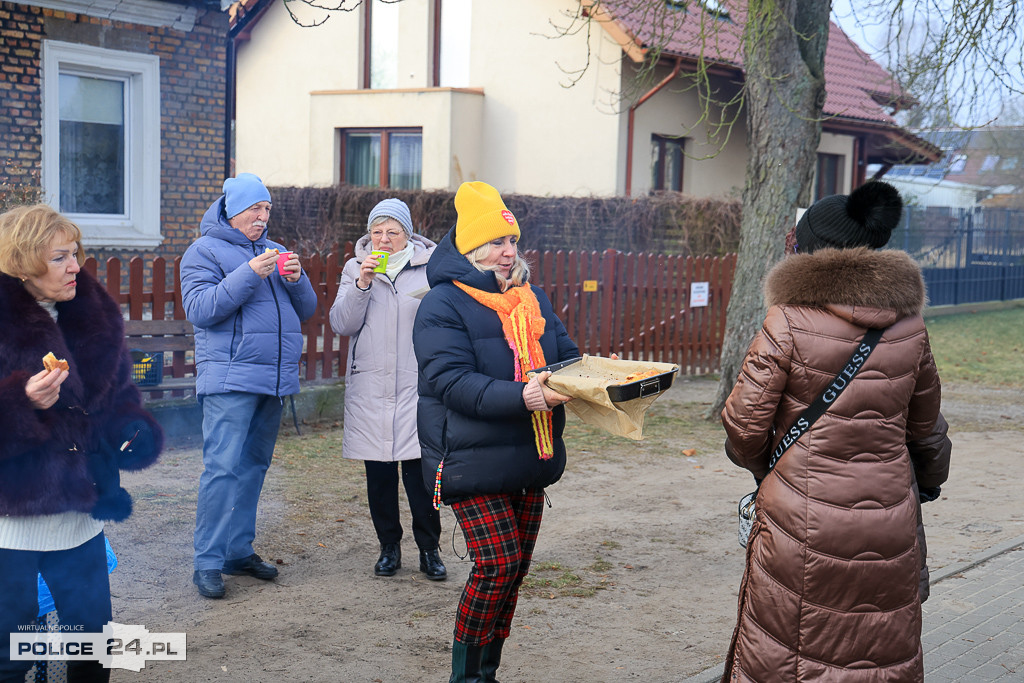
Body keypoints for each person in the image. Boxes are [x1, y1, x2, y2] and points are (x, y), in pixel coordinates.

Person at [720, 181, 943, 682]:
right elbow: (928, 430)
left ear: (809, 250)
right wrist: (925, 483)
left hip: (800, 518)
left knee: (792, 650)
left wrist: (773, 471)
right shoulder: (909, 325)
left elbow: (743, 427)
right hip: (889, 515)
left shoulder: (788, 319)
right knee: (880, 648)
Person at [413, 181, 579, 682]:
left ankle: (487, 673)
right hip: (468, 457)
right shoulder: (441, 304)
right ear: (469, 249)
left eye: (512, 243)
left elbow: (565, 353)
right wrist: (524, 396)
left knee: (516, 571)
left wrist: (595, 376)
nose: (509, 253)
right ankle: (464, 678)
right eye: (496, 244)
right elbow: (449, 381)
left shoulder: (532, 299)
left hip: (529, 452)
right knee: (497, 565)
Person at [0, 204, 163, 682]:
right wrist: (20, 402)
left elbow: (121, 398)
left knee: (94, 648)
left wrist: (132, 430)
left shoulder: (97, 316)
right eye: (58, 258)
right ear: (21, 262)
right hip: (11, 522)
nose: (75, 267)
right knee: (10, 658)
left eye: (75, 254)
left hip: (83, 520)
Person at [181, 173, 318, 599]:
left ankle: (238, 551)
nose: (263, 217)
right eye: (255, 209)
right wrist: (247, 274)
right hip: (229, 380)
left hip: (272, 381)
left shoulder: (274, 251)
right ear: (232, 209)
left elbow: (308, 309)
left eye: (267, 210)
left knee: (253, 469)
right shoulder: (202, 251)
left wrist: (297, 280)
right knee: (221, 469)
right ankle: (207, 561)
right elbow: (201, 310)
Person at [329, 198, 446, 580]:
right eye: (376, 232)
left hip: (416, 384)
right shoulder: (354, 269)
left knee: (420, 477)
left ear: (407, 235)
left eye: (392, 232)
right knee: (379, 478)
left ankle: (429, 549)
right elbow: (342, 324)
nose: (383, 239)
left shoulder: (431, 269)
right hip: (372, 388)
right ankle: (389, 548)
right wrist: (362, 283)